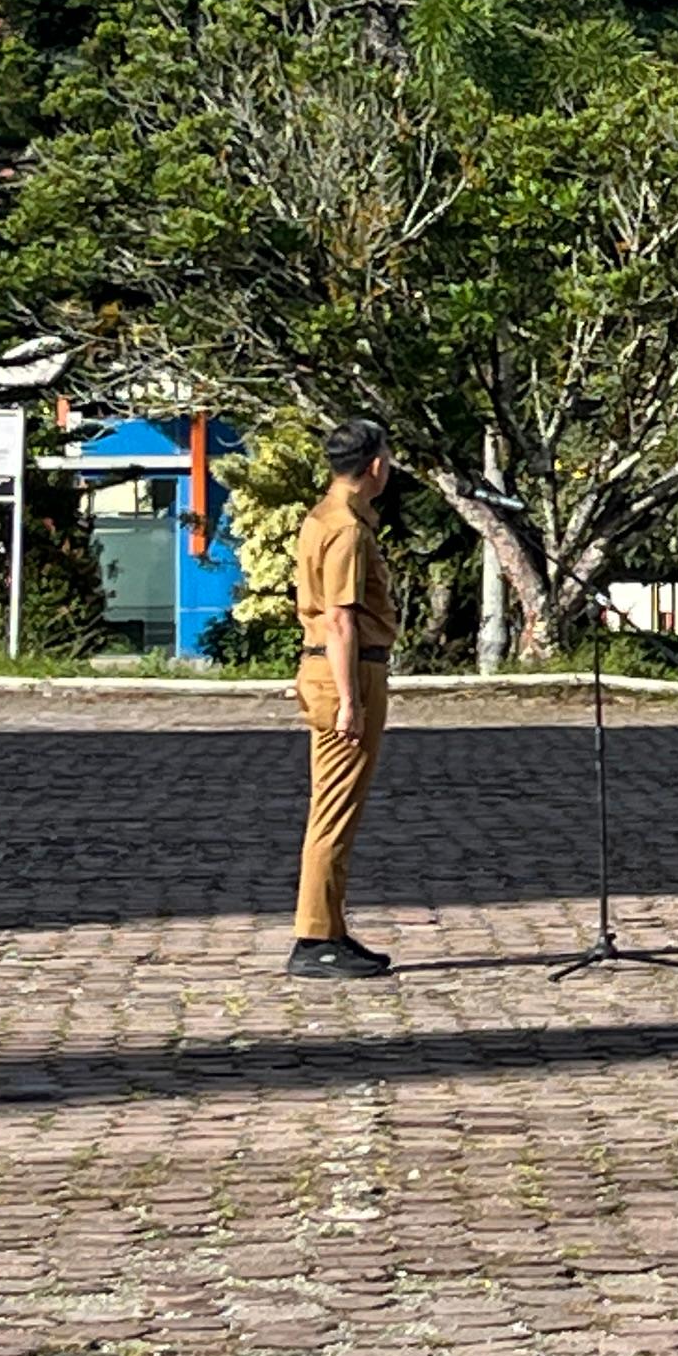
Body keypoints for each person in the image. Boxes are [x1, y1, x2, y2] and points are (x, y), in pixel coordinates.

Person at [288, 419, 400, 979]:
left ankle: (329, 929)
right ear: (374, 465)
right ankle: (314, 938)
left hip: (336, 669)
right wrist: (351, 701)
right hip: (346, 672)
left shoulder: (324, 517)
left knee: (335, 807)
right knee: (333, 811)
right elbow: (339, 619)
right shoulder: (346, 530)